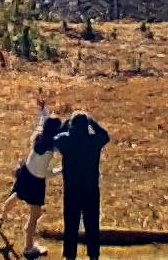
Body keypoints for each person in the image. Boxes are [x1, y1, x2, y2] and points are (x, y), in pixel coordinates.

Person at [0, 98, 64, 258]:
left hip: (26, 172)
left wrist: (43, 109)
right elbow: (44, 173)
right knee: (35, 215)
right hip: (36, 181)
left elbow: (44, 121)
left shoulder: (38, 137)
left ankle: (3, 215)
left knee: (17, 195)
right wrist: (61, 170)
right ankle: (28, 247)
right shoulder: (49, 150)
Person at [53, 111, 110, 260]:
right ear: (87, 127)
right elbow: (105, 135)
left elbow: (55, 137)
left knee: (71, 224)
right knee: (92, 224)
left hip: (71, 190)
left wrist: (66, 123)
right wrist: (92, 121)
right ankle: (93, 255)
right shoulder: (93, 141)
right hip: (91, 189)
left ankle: (70, 255)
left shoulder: (66, 141)